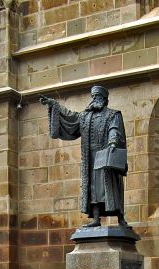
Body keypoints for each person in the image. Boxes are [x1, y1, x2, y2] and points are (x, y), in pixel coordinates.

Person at [39, 85, 129, 228]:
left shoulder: (113, 114)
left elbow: (115, 129)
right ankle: (96, 219)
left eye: (97, 97)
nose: (94, 99)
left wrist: (112, 142)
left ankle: (121, 219)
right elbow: (70, 117)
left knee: (111, 187)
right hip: (90, 159)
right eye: (93, 97)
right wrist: (53, 104)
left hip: (106, 156)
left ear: (105, 99)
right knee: (93, 189)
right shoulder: (85, 117)